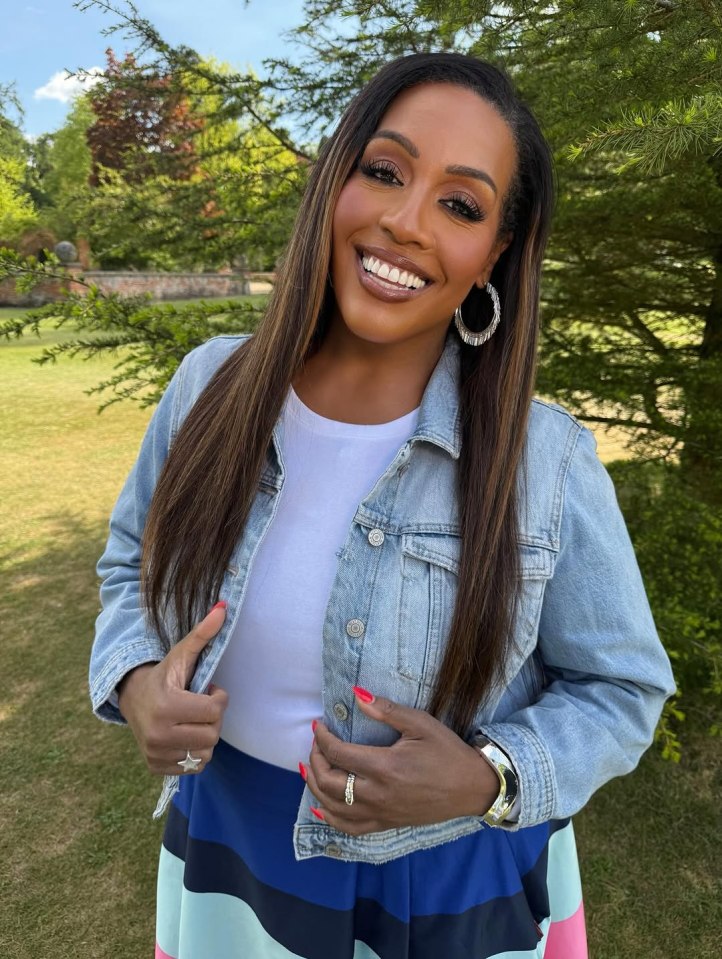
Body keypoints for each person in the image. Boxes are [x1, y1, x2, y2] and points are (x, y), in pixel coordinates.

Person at [90, 52, 675, 959]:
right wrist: (134, 680)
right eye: (386, 171)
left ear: (496, 252)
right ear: (337, 180)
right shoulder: (210, 385)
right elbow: (132, 556)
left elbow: (624, 688)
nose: (405, 222)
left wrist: (488, 778)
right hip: (229, 843)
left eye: (461, 205)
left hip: (445, 881)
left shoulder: (543, 459)